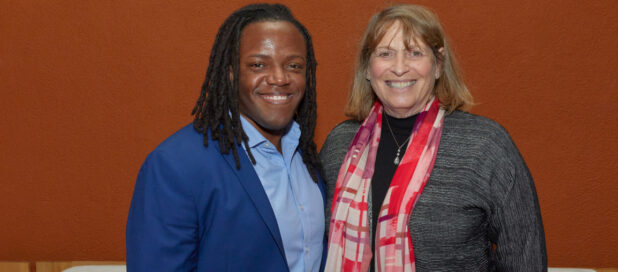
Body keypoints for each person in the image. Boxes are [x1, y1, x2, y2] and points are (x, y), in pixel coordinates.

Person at [321, 4, 546, 271]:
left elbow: (525, 258)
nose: (400, 68)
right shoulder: (339, 145)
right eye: (385, 54)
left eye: (415, 53)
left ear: (438, 65)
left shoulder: (485, 147)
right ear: (368, 69)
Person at [126, 4, 325, 271]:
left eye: (294, 65)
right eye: (258, 64)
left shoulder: (308, 158)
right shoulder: (175, 166)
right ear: (231, 73)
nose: (280, 78)